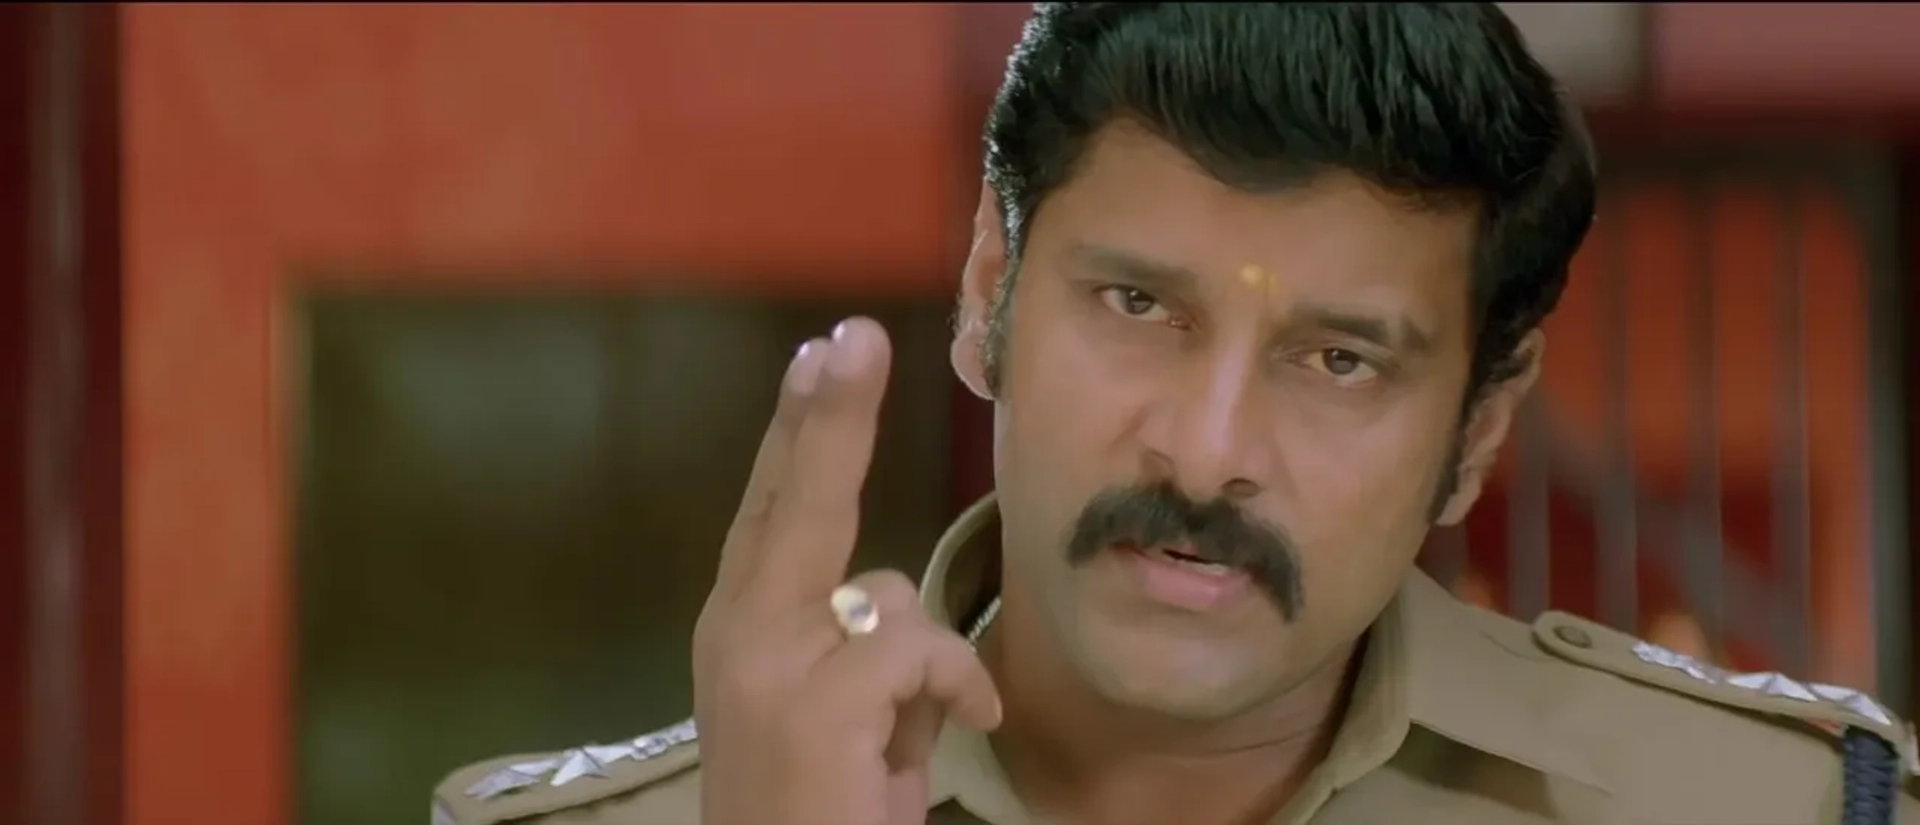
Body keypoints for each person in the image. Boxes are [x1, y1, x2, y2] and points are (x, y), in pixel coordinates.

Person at [433, 4, 1917, 824]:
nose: (1204, 455)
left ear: (1476, 432)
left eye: (1340, 360)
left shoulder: (1789, 815)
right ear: (990, 287)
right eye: (1138, 305)